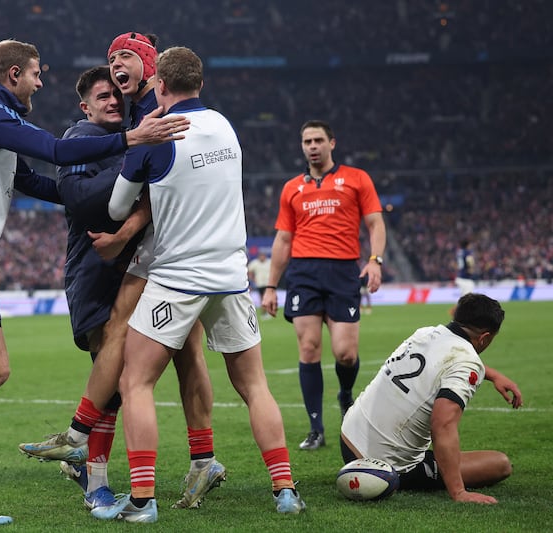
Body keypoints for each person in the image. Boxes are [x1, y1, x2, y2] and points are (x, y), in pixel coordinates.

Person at [0, 38, 188, 525]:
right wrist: (131, 141)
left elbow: (36, 180)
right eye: (35, 74)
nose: (41, 82)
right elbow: (54, 149)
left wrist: (86, 197)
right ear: (12, 75)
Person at [91, 46, 306, 523]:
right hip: (231, 276)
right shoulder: (226, 127)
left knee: (136, 380)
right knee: (254, 386)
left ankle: (142, 501)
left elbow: (115, 209)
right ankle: (285, 489)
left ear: (159, 88)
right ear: (201, 86)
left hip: (177, 276)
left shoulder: (155, 139)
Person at [19, 33, 225, 511]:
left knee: (180, 354)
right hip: (96, 269)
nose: (112, 94)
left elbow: (151, 188)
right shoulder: (84, 137)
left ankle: (191, 458)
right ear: (85, 107)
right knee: (115, 376)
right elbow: (78, 198)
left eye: (117, 82)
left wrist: (134, 180)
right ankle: (96, 481)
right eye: (102, 94)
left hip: (149, 261)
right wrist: (135, 162)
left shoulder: (144, 124)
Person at [261, 119, 386, 451]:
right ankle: (316, 428)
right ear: (302, 146)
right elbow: (283, 239)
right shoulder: (291, 188)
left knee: (346, 353)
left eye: (318, 140)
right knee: (309, 348)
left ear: (332, 143)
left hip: (344, 271)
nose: (312, 146)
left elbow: (375, 222)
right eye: (307, 141)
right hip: (303, 272)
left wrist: (375, 260)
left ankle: (345, 394)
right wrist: (271, 286)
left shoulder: (357, 179)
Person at [341, 293, 522, 504]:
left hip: (349, 438)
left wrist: (493, 375)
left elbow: (443, 358)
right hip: (382, 466)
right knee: (500, 464)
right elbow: (442, 424)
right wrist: (459, 492)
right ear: (484, 338)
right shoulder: (466, 363)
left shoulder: (425, 333)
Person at [248, 250, 272, 316]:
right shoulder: (255, 263)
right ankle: (264, 312)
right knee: (262, 298)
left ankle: (268, 311)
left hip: (268, 283)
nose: (262, 258)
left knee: (268, 297)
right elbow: (249, 271)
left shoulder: (269, 262)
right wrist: (253, 279)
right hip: (260, 283)